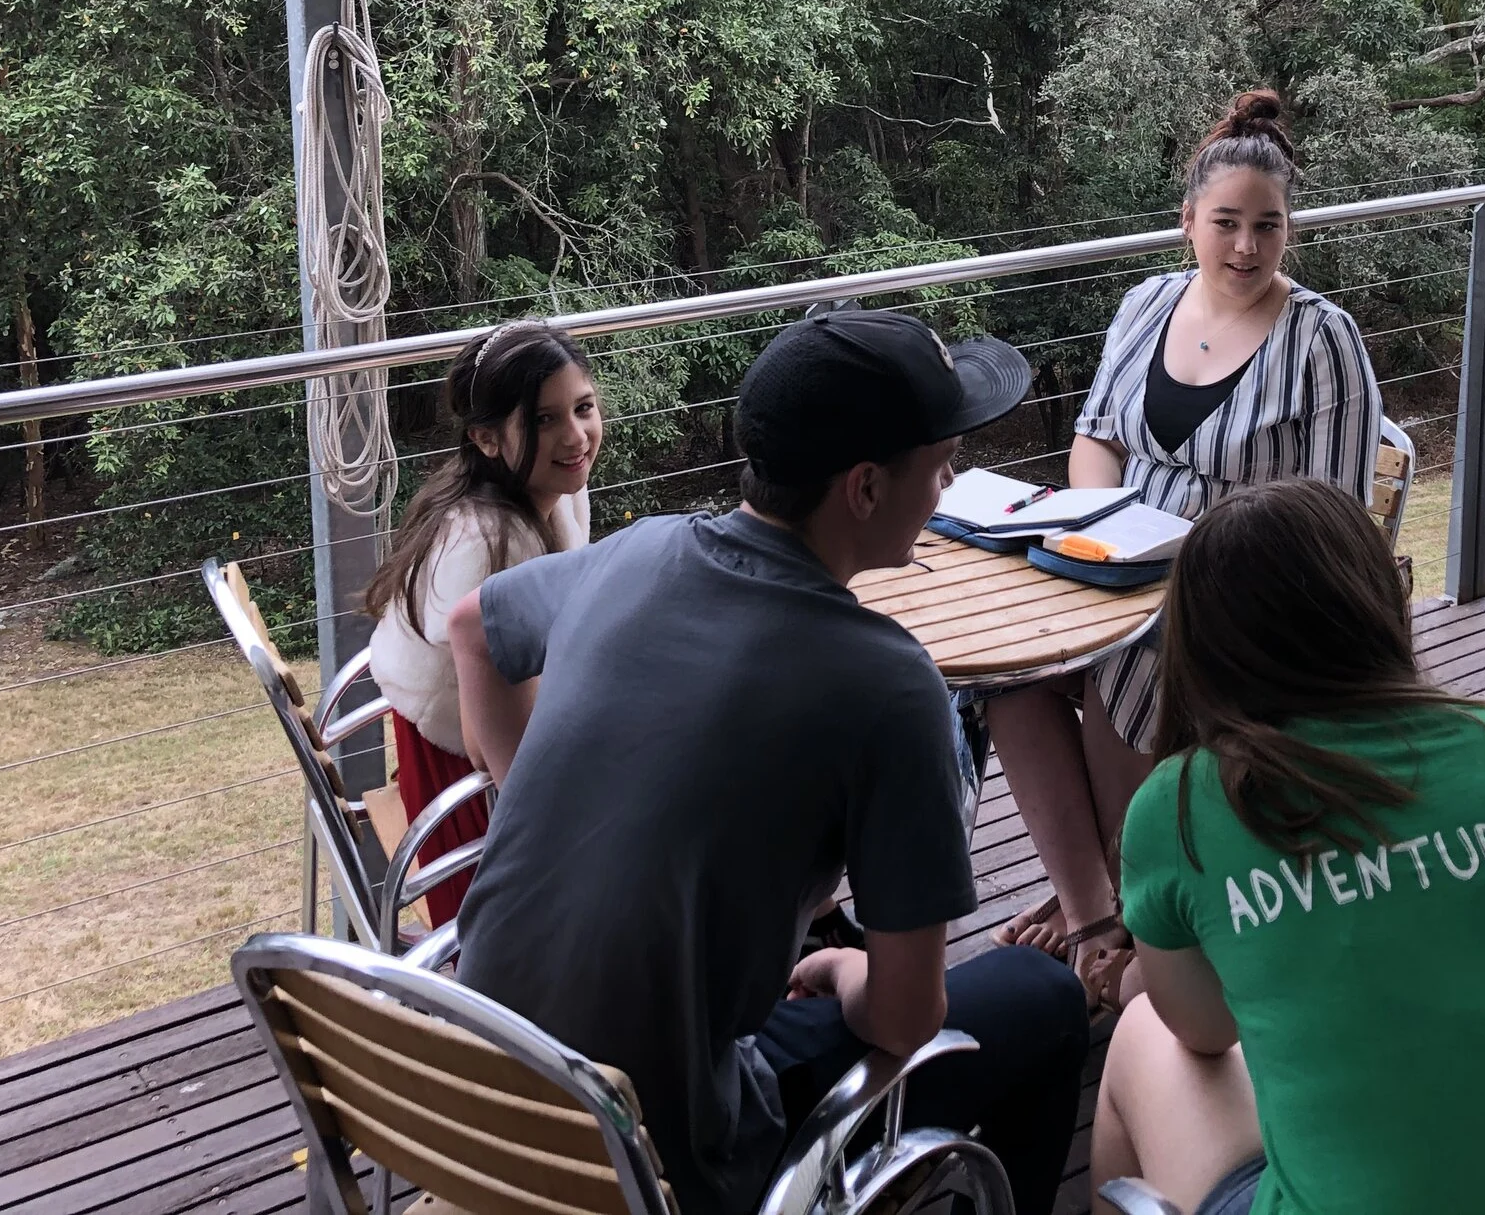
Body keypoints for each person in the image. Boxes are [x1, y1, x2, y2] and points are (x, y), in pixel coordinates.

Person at [446, 305, 1090, 1215]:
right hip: (662, 1157)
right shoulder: (888, 682)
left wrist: (545, 802)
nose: (949, 485)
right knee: (1044, 992)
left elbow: (472, 623)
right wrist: (843, 970)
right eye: (941, 464)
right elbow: (908, 1016)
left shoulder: (640, 548)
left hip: (479, 1093)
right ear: (864, 488)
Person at [1093, 478, 1485, 1215]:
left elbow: (1207, 1031)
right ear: (1376, 601)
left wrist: (1129, 978)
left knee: (1143, 1028)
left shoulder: (1181, 806)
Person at [989, 90, 1383, 1001]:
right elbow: (1095, 432)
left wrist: (1184, 575)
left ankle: (1133, 903)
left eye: (1267, 227)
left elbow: (1332, 518)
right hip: (1116, 560)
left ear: (1291, 230)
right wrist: (1101, 531)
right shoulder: (1146, 304)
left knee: (1122, 666)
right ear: (1188, 223)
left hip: (1243, 593)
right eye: (1226, 223)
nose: (1245, 247)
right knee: (1007, 668)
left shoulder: (1322, 340)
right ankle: (1093, 906)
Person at [362, 320, 602, 928]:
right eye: (544, 420)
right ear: (488, 439)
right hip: (471, 801)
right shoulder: (491, 546)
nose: (576, 437)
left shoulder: (542, 493)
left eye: (584, 408)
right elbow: (491, 749)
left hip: (466, 759)